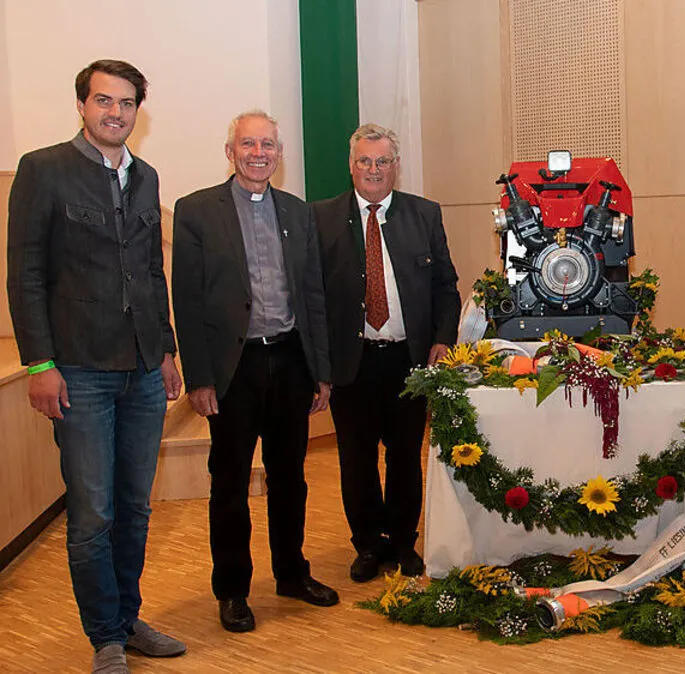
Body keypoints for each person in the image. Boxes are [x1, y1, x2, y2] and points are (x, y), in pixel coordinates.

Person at [6, 59, 186, 673]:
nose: (116, 112)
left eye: (127, 102)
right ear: (82, 105)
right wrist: (39, 363)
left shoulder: (146, 176)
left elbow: (152, 272)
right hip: (78, 370)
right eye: (104, 100)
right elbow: (25, 275)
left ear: (139, 110)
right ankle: (105, 636)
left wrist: (166, 349)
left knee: (134, 508)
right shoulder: (43, 169)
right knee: (92, 514)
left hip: (143, 368)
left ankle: (127, 619)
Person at [172, 110, 337, 633]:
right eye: (248, 144)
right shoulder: (197, 211)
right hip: (233, 367)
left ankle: (291, 573)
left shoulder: (298, 212)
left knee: (291, 477)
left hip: (289, 361)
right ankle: (233, 590)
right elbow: (187, 300)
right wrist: (200, 378)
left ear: (279, 155)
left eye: (267, 145)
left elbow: (312, 296)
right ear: (231, 152)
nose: (258, 153)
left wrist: (321, 370)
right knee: (230, 483)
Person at [314, 123, 461, 582]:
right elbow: (311, 296)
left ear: (396, 166)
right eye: (364, 161)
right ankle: (367, 545)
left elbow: (446, 287)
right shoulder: (321, 218)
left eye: (382, 161)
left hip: (408, 361)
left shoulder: (424, 214)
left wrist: (442, 339)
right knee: (356, 460)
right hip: (350, 362)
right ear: (351, 166)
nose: (373, 169)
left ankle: (401, 542)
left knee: (403, 457)